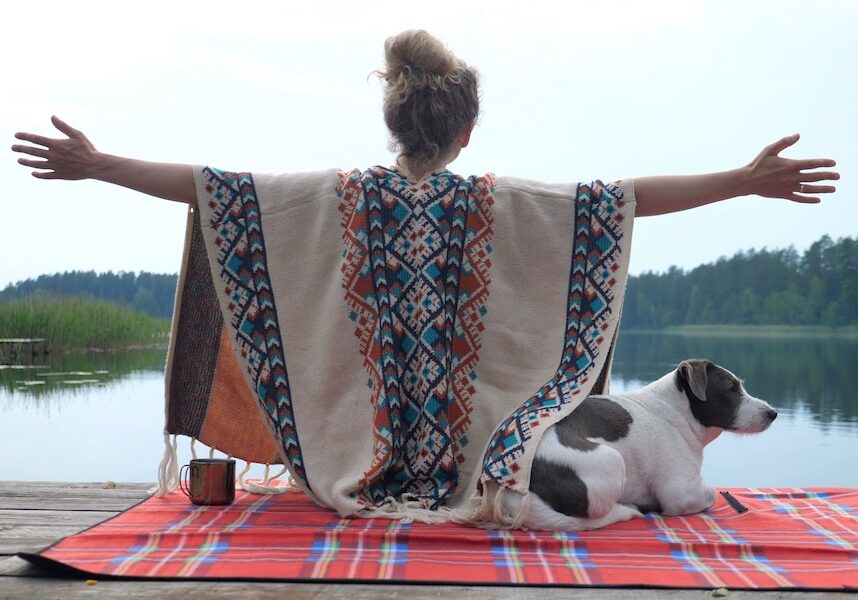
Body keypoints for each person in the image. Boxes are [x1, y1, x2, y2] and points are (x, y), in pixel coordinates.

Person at [11, 30, 839, 525]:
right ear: (468, 131)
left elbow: (210, 190)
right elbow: (627, 201)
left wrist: (96, 164)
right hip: (483, 464)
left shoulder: (333, 200)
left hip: (355, 466)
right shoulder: (507, 205)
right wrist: (741, 179)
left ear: (392, 123)